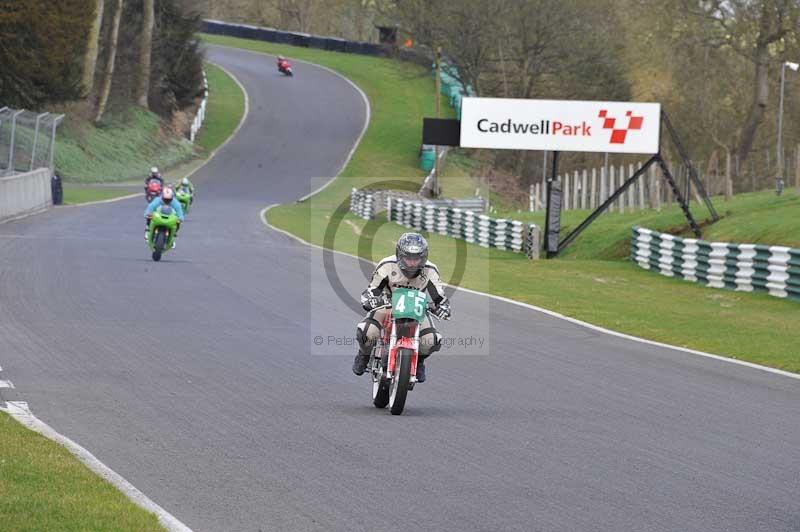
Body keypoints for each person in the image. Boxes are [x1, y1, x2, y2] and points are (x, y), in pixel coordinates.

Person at [352, 233, 451, 383]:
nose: (412, 263)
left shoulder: (430, 270)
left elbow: (439, 297)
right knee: (367, 332)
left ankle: (419, 362)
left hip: (416, 308)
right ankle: (364, 354)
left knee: (432, 340)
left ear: (423, 257)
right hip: (387, 305)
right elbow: (372, 289)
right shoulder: (387, 265)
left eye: (416, 258)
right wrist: (370, 299)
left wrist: (443, 307)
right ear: (399, 255)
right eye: (408, 258)